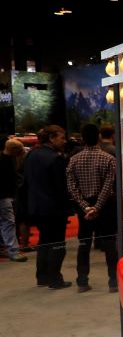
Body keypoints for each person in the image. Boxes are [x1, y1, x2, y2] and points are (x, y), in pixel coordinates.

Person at [66, 123, 117, 292]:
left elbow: (72, 188)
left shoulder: (74, 160)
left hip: (84, 209)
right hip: (105, 207)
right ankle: (113, 282)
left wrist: (86, 207)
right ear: (99, 137)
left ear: (82, 138)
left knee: (84, 245)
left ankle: (82, 281)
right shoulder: (109, 159)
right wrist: (97, 206)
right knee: (110, 245)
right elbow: (108, 186)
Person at [25, 124, 71, 289]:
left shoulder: (31, 155)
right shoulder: (55, 158)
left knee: (44, 242)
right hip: (53, 209)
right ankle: (55, 278)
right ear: (52, 138)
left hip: (36, 207)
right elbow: (61, 187)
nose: (64, 141)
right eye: (62, 137)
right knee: (57, 244)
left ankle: (42, 277)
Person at [0, 138, 27, 261]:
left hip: (6, 196)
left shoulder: (7, 159)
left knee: (6, 222)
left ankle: (5, 248)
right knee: (8, 222)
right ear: (13, 150)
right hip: (4, 196)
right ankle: (13, 250)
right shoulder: (8, 161)